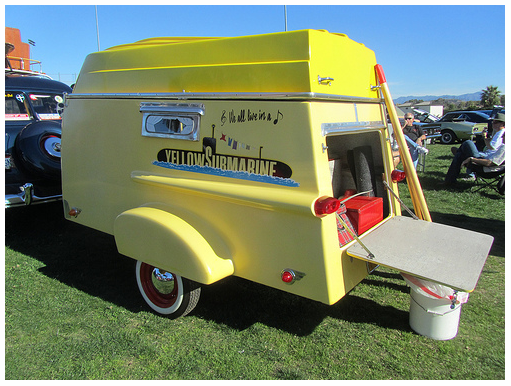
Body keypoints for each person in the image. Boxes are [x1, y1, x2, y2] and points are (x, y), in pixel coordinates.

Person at [444, 113, 505, 185]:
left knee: (468, 143)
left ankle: (449, 181)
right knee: (459, 154)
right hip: (484, 159)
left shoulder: (504, 145)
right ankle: (449, 181)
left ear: (503, 123)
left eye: (495, 122)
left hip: (484, 168)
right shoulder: (499, 135)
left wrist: (472, 159)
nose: (492, 124)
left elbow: (490, 161)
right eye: (492, 122)